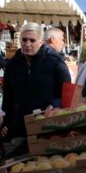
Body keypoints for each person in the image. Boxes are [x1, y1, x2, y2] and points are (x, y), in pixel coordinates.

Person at [1, 23, 71, 156]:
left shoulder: (54, 62)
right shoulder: (12, 65)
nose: (27, 44)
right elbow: (8, 98)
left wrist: (54, 104)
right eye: (24, 40)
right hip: (19, 129)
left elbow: (67, 92)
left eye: (32, 40)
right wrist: (5, 123)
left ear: (40, 41)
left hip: (47, 128)